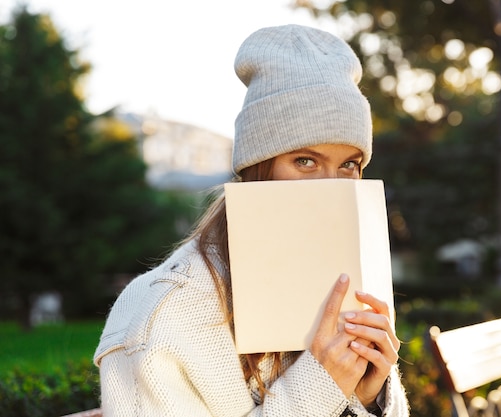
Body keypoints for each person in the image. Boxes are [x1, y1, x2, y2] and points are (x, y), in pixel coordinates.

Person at [94, 24, 410, 417]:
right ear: (257, 169)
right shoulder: (160, 315)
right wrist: (319, 387)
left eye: (348, 165)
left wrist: (367, 398)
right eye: (305, 161)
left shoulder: (349, 288)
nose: (331, 187)